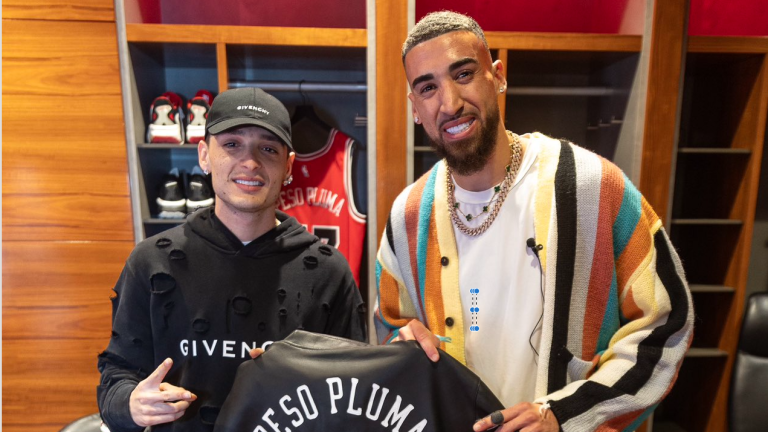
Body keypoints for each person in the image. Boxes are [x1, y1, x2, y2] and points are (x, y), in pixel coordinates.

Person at [374, 11, 694, 432]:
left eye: (464, 73)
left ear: (498, 76)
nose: (449, 103)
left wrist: (566, 416)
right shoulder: (407, 216)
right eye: (427, 87)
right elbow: (389, 330)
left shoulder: (594, 187)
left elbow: (665, 326)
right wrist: (402, 346)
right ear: (415, 107)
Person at [98, 87, 367, 432]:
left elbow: (352, 389)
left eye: (267, 148)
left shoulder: (329, 271)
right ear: (204, 155)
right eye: (231, 145)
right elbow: (116, 373)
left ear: (288, 166)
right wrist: (132, 403)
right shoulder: (151, 262)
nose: (251, 162)